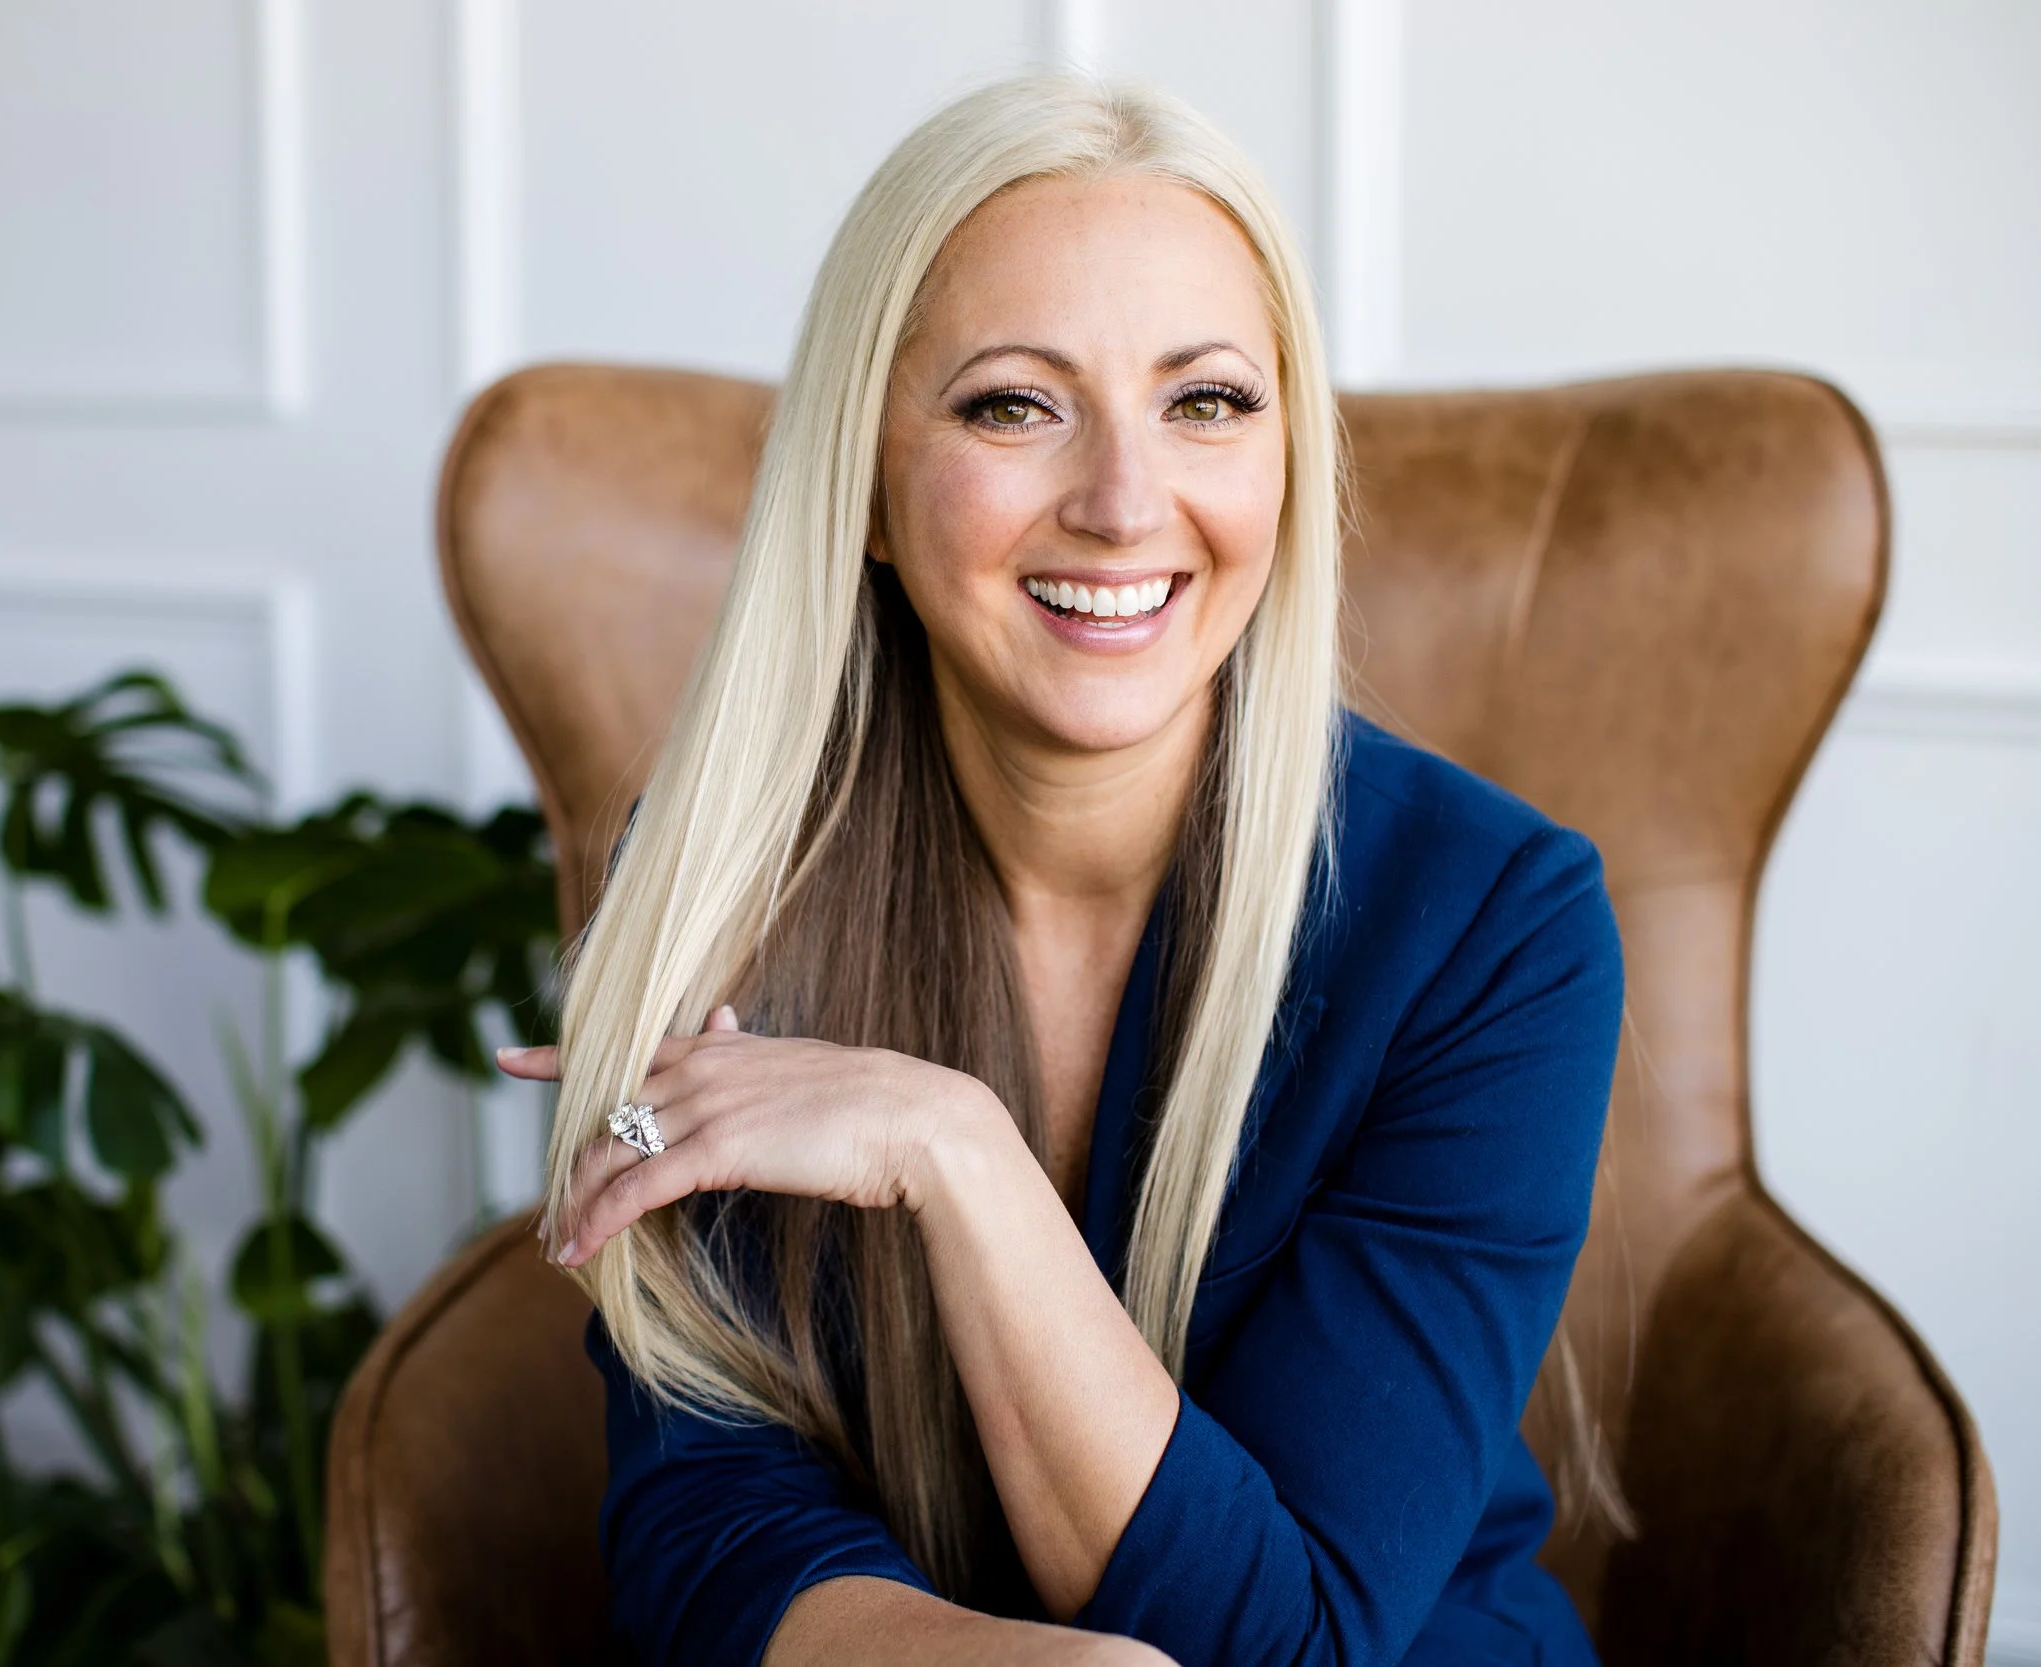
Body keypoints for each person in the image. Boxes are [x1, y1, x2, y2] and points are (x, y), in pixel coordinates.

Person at [493, 73, 1624, 1667]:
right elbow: (711, 1515)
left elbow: (1291, 1638)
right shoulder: (715, 884)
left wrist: (948, 1146)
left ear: (1286, 461)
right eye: (1014, 404)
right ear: (869, 487)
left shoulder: (1496, 925)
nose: (1120, 502)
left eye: (1208, 401)